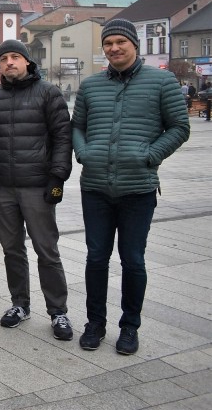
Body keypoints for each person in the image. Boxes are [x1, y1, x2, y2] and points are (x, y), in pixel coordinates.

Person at [73, 19, 189, 355]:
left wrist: (150, 156)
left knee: (133, 259)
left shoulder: (162, 81)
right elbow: (77, 126)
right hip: (95, 187)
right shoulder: (91, 86)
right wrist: (84, 153)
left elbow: (179, 127)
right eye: (108, 43)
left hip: (138, 189)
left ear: (134, 44)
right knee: (96, 258)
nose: (114, 48)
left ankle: (129, 327)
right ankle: (95, 324)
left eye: (120, 42)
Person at [0, 40, 74, 340]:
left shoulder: (48, 94)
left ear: (27, 61)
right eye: (4, 59)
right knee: (12, 250)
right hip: (2, 186)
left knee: (46, 250)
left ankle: (58, 311)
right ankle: (20, 304)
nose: (9, 63)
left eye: (15, 57)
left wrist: (57, 178)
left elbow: (62, 139)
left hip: (37, 186)